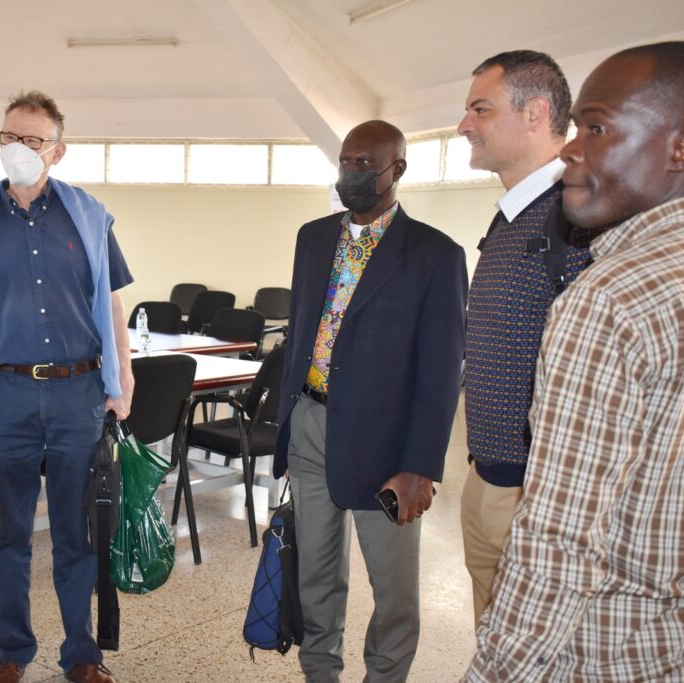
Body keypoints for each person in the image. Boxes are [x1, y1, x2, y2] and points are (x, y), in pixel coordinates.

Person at [464, 41, 684, 682]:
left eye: (597, 127)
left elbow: (558, 546)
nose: (572, 149)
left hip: (597, 638)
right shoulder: (520, 221)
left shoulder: (608, 284)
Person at [0, 90, 133, 683]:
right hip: (7, 395)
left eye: (32, 140)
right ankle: (12, 652)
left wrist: (122, 379)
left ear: (58, 151)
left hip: (79, 395)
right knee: (9, 535)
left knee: (77, 535)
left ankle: (82, 655)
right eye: (8, 138)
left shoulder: (90, 217)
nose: (17, 149)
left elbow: (113, 306)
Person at [274, 120, 467, 682]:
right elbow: (303, 329)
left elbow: (440, 372)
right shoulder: (313, 237)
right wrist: (287, 418)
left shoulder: (435, 253)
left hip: (387, 448)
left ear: (397, 169)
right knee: (316, 575)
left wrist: (421, 467)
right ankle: (320, 674)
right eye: (345, 162)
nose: (351, 174)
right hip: (310, 424)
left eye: (365, 164)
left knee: (394, 590)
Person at [456, 51, 601, 624]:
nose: (465, 124)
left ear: (536, 112)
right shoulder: (513, 216)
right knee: (492, 641)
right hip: (486, 474)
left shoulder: (580, 218)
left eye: (480, 109)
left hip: (538, 497)